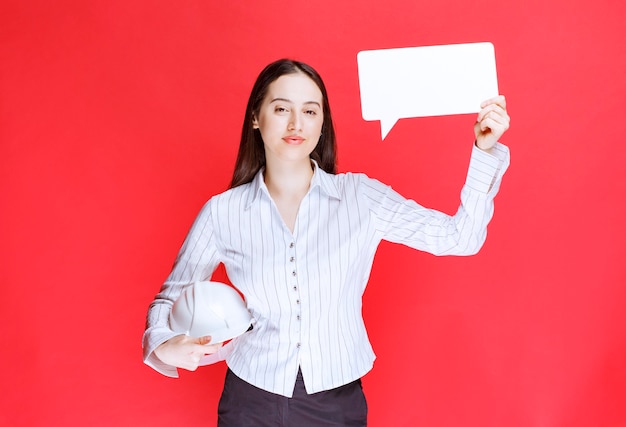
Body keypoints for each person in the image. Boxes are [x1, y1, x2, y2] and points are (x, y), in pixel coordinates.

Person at [142, 58, 510, 426]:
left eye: (310, 111)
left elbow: (460, 237)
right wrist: (163, 342)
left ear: (322, 123)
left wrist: (485, 152)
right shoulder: (222, 212)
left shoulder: (360, 197)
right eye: (281, 108)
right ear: (256, 117)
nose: (295, 123)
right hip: (248, 400)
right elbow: (170, 296)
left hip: (336, 404)